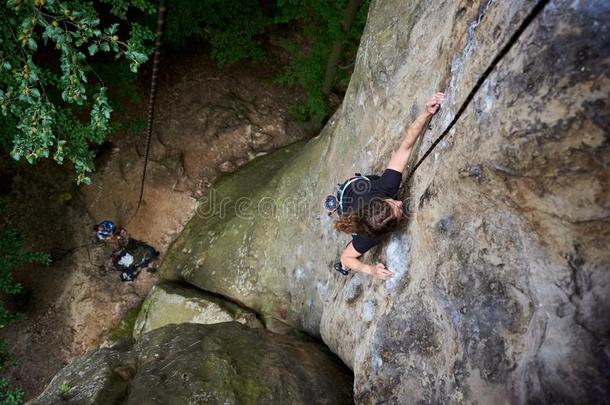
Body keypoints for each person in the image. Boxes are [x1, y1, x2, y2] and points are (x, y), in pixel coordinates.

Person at [333, 92, 444, 280]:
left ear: (382, 199)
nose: (400, 203)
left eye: (393, 203)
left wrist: (425, 113)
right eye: (397, 209)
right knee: (348, 256)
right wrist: (371, 270)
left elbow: (406, 146)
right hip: (349, 197)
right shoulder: (368, 237)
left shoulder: (386, 188)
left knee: (355, 240)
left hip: (355, 188)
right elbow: (347, 257)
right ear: (386, 231)